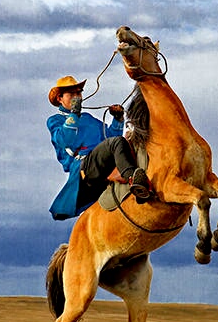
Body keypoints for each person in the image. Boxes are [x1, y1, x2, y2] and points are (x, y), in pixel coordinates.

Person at [47, 75, 150, 220]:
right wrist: (74, 114)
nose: (77, 97)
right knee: (116, 143)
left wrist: (118, 119)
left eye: (79, 93)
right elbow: (65, 140)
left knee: (125, 143)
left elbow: (110, 137)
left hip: (101, 163)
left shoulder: (88, 118)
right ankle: (133, 179)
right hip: (84, 166)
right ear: (60, 98)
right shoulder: (55, 121)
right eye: (72, 94)